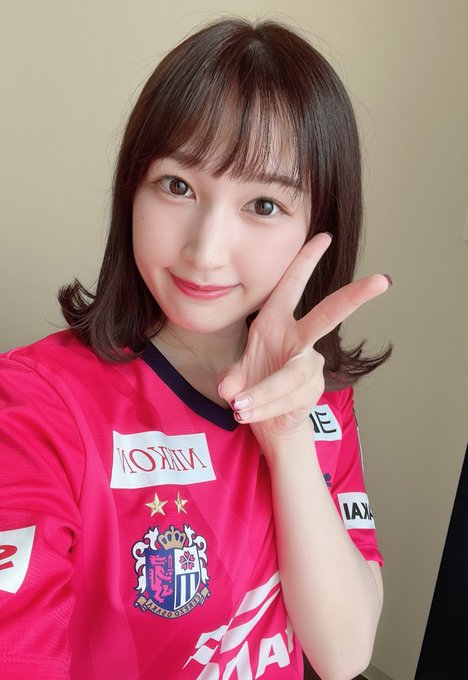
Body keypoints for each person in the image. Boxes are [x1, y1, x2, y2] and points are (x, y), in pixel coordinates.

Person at [0, 17, 392, 680]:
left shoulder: (318, 395)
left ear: (316, 227)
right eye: (178, 186)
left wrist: (288, 437)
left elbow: (343, 654)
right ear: (132, 188)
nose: (205, 251)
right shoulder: (36, 405)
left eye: (263, 205)